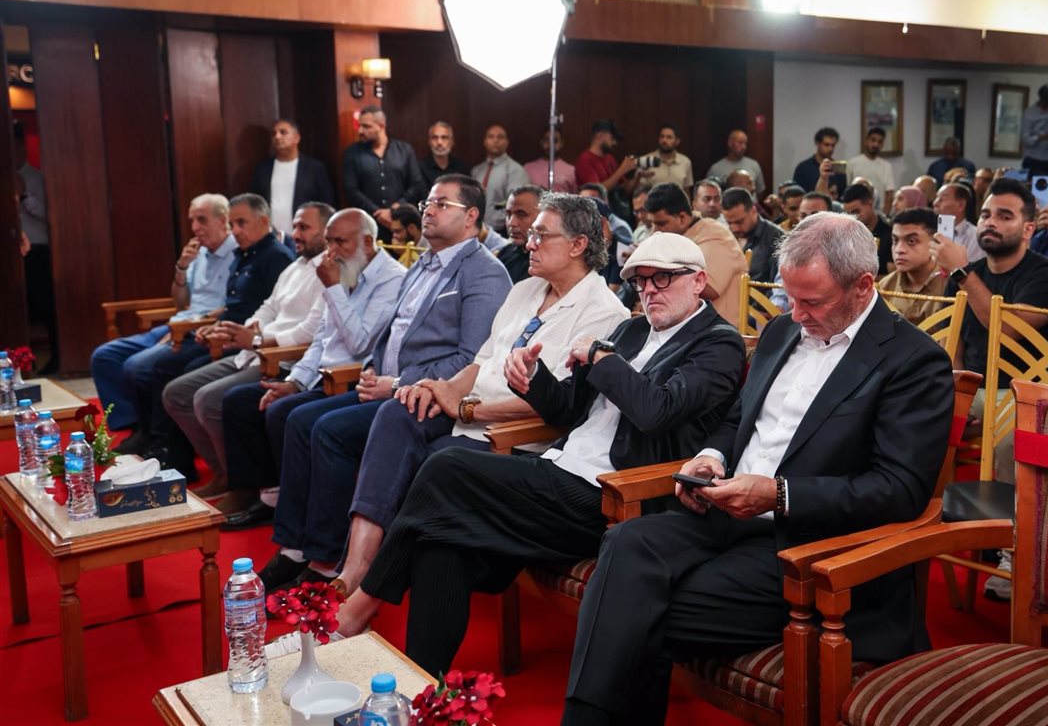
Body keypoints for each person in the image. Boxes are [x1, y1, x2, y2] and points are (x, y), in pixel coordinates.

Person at [265, 232, 748, 676]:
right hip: (561, 467)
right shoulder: (632, 332)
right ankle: (421, 688)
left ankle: (356, 609)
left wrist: (601, 358)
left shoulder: (718, 342)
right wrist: (533, 379)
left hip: (614, 497)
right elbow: (568, 409)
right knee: (441, 543)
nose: (649, 291)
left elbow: (656, 411)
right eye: (640, 281)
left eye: (663, 278)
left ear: (698, 281)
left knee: (446, 465)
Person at [558, 213, 955, 724]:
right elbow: (739, 418)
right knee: (624, 543)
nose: (797, 314)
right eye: (790, 297)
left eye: (813, 301)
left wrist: (780, 494)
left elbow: (898, 489)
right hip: (725, 513)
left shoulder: (912, 361)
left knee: (626, 609)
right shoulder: (781, 331)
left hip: (807, 545)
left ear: (862, 286)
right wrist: (712, 457)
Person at [263, 194, 630, 594]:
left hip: (511, 435)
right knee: (398, 411)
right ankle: (354, 568)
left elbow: (555, 406)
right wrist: (443, 388)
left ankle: (376, 586)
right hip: (468, 409)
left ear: (578, 245)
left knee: (432, 458)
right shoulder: (526, 289)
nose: (529, 243)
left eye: (541, 235)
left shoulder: (603, 311)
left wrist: (468, 409)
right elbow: (482, 359)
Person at [250, 174, 511, 560]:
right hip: (385, 385)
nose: (429, 211)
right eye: (427, 204)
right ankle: (292, 547)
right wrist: (373, 368)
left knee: (328, 431)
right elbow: (392, 332)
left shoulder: (484, 272)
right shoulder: (422, 264)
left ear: (471, 215)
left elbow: (472, 359)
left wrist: (397, 382)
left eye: (442, 204)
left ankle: (324, 556)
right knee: (299, 420)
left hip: (426, 396)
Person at [216, 208, 408, 527]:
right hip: (320, 376)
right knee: (251, 402)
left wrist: (332, 289)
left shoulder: (392, 279)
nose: (331, 251)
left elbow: (361, 343)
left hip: (352, 380)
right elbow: (320, 339)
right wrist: (293, 382)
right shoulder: (343, 269)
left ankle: (305, 515)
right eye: (329, 242)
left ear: (367, 242)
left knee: (291, 416)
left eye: (341, 242)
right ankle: (276, 497)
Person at [162, 202, 333, 497]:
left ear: (326, 232)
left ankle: (243, 487)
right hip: (254, 350)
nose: (295, 234)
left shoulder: (328, 270)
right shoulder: (295, 266)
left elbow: (310, 331)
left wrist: (257, 339)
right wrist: (244, 331)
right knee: (176, 393)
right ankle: (223, 472)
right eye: (294, 226)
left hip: (283, 360)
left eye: (304, 227)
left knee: (207, 399)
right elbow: (267, 308)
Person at [128, 194, 295, 478]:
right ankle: (174, 453)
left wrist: (235, 333)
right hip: (231, 336)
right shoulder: (245, 254)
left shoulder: (276, 257)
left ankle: (183, 458)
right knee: (168, 370)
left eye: (241, 223)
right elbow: (238, 308)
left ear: (263, 221)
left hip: (255, 345)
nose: (235, 230)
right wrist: (214, 325)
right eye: (233, 224)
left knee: (174, 369)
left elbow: (272, 316)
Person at [933, 177, 1048, 487]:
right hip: (975, 389)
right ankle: (932, 510)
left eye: (1004, 216)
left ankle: (1011, 517)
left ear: (1028, 229)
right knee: (915, 417)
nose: (990, 222)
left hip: (1027, 393)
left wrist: (961, 273)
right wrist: (957, 397)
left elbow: (1007, 329)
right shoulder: (968, 274)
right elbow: (952, 344)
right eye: (986, 215)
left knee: (1013, 442)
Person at [93, 194, 236, 435]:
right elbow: (180, 304)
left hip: (199, 329)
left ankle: (149, 433)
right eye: (192, 220)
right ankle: (132, 424)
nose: (194, 227)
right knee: (104, 356)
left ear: (223, 220)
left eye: (201, 220)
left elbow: (233, 307)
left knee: (136, 366)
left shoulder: (237, 253)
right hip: (179, 322)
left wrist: (188, 325)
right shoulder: (199, 253)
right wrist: (181, 267)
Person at [643, 183, 747, 325]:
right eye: (652, 224)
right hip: (683, 327)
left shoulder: (716, 235)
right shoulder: (681, 235)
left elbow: (707, 290)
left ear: (682, 217)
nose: (655, 231)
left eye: (661, 224)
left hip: (717, 330)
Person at [342, 105, 424, 242]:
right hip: (368, 224)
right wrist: (378, 213)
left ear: (381, 126)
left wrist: (394, 210)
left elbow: (416, 184)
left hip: (403, 224)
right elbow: (351, 190)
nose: (360, 131)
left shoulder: (404, 150)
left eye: (366, 126)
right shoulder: (352, 153)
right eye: (359, 126)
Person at [249, 118, 336, 236]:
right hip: (270, 236)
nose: (277, 137)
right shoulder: (262, 169)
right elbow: (254, 204)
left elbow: (326, 203)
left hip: (305, 236)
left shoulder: (314, 168)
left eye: (283, 132)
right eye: (274, 134)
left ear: (297, 138)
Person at [14, 130, 55, 372]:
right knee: (21, 308)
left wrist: (23, 197)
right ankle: (21, 362)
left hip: (39, 249)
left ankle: (54, 357)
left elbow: (49, 214)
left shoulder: (37, 178)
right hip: (13, 254)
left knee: (45, 305)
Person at [877, 208, 948, 325]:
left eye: (911, 241)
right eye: (895, 241)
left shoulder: (951, 284)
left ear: (935, 243)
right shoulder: (885, 286)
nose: (899, 250)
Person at [472, 123, 531, 234]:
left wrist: (491, 225)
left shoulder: (516, 171)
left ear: (506, 142)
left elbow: (517, 204)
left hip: (503, 231)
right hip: (476, 231)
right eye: (491, 137)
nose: (496, 140)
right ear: (485, 142)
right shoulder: (476, 171)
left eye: (500, 137)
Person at [721, 186, 785, 284]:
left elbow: (777, 286)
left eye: (739, 222)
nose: (734, 228)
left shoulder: (777, 238)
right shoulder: (723, 236)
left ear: (753, 211)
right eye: (729, 223)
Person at [576, 120, 637, 200]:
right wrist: (621, 170)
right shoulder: (585, 160)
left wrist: (638, 175)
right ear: (600, 135)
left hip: (616, 205)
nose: (615, 143)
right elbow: (596, 192)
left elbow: (625, 190)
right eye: (612, 138)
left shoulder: (610, 158)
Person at [494, 185, 543, 284]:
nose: (511, 223)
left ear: (543, 216)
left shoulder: (552, 263)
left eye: (521, 214)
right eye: (508, 214)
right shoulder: (503, 254)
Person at [840, 182, 893, 273]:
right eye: (848, 214)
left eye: (856, 212)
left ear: (870, 203)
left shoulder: (890, 235)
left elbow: (894, 276)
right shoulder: (844, 236)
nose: (853, 218)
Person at [933, 182, 985, 263]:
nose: (935, 203)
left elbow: (971, 268)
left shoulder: (975, 237)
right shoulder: (928, 230)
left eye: (943, 199)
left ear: (961, 205)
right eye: (936, 197)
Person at [847, 127, 895, 209]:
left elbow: (889, 193)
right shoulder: (852, 163)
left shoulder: (886, 166)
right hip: (857, 210)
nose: (876, 144)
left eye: (879, 142)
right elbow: (848, 189)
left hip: (878, 211)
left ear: (882, 145)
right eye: (873, 140)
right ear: (866, 141)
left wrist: (885, 214)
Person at [705, 129, 765, 195]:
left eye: (745, 144)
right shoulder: (715, 169)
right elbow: (708, 192)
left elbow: (760, 191)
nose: (744, 147)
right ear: (730, 143)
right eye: (740, 143)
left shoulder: (754, 165)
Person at [792, 127, 846, 199]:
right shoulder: (803, 168)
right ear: (817, 143)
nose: (830, 149)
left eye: (833, 145)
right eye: (826, 145)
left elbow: (843, 197)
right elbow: (796, 195)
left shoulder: (838, 170)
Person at [417, 121, 472, 192]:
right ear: (429, 142)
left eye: (444, 137)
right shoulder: (419, 169)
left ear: (452, 142)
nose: (439, 142)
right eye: (434, 138)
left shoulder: (462, 168)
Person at [639, 123, 693, 192]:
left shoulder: (685, 162)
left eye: (669, 137)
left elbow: (686, 191)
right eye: (662, 137)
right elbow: (640, 191)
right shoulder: (647, 160)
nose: (664, 140)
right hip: (653, 199)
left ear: (677, 141)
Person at [1020, 85, 1048, 177]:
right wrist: (1046, 136)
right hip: (1033, 160)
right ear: (1045, 97)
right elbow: (1026, 139)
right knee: (1031, 185)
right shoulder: (1030, 113)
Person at [523, 127, 576, 194]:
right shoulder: (527, 168)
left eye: (555, 141)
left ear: (561, 144)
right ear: (541, 142)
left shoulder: (571, 171)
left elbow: (576, 197)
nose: (550, 144)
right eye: (546, 140)